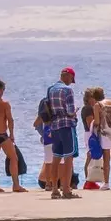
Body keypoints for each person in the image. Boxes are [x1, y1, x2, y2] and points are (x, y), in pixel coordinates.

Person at [43, 67, 80, 199]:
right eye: (71, 78)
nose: (71, 82)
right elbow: (70, 111)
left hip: (54, 126)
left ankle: (54, 189)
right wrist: (75, 113)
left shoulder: (51, 89)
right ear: (68, 76)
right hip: (66, 125)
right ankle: (66, 190)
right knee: (68, 158)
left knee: (56, 158)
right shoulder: (67, 90)